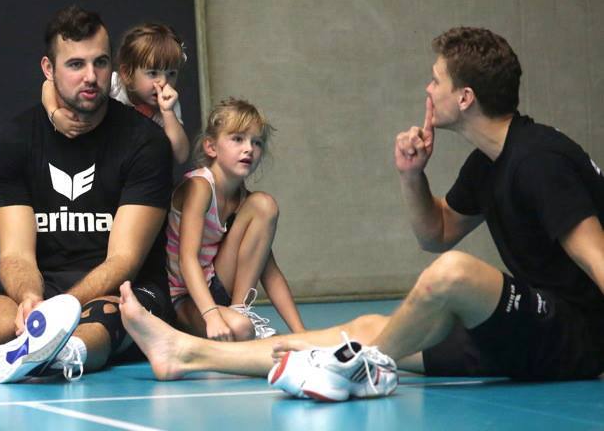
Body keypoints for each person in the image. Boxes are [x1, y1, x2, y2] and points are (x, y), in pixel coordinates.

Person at [116, 26, 604, 402]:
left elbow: (599, 261)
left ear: (465, 98)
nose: (427, 88)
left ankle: (357, 368)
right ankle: (186, 353)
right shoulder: (489, 164)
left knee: (454, 274)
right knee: (367, 328)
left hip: (577, 337)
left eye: (436, 80)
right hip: (529, 330)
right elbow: (436, 233)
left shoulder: (538, 160)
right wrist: (412, 176)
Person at [0, 5, 174, 384]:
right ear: (49, 69)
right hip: (44, 286)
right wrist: (31, 299)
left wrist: (60, 310)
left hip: (123, 289)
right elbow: (15, 254)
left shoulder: (145, 142)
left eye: (100, 62)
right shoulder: (14, 141)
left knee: (107, 317)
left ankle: (59, 353)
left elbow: (124, 259)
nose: (91, 76)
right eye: (76, 64)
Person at [167, 98, 305, 341]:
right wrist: (211, 315)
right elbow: (187, 259)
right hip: (183, 298)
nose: (249, 148)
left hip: (216, 287)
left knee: (264, 204)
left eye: (257, 142)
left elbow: (269, 271)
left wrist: (301, 333)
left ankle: (240, 309)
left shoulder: (245, 201)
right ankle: (235, 320)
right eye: (238, 139)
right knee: (241, 329)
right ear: (211, 147)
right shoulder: (200, 186)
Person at [42, 23, 189, 164]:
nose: (163, 82)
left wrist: (168, 112)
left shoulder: (168, 104)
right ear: (127, 74)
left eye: (171, 74)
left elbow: (181, 156)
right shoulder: (114, 84)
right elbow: (49, 85)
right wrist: (54, 113)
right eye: (152, 73)